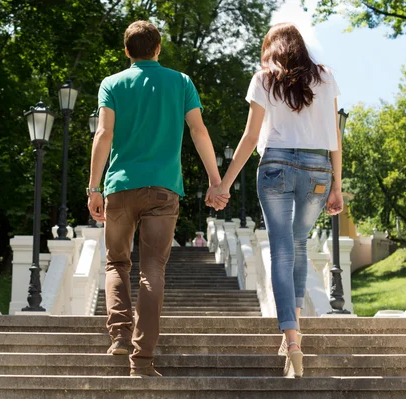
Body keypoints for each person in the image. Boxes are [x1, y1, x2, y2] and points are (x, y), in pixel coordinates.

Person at [87, 20, 227, 377]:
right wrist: (216, 180)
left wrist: (94, 187)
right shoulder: (180, 82)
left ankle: (119, 336)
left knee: (117, 264)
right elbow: (198, 131)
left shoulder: (112, 83)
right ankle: (142, 360)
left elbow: (103, 134)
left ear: (126, 51)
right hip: (164, 190)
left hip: (119, 187)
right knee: (152, 270)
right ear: (158, 48)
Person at [207, 22, 344, 377]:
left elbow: (251, 137)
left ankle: (293, 340)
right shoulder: (326, 78)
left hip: (276, 166)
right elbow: (335, 139)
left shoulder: (264, 78)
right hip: (318, 169)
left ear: (271, 48)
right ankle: (293, 331)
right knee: (298, 245)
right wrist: (337, 187)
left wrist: (223, 185)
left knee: (283, 250)